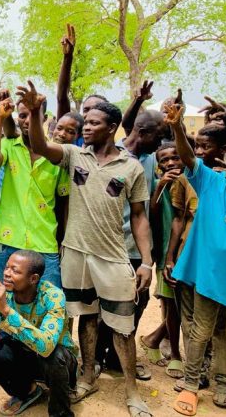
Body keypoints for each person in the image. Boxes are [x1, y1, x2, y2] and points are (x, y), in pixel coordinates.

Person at [25, 81, 154, 417]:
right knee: (86, 318)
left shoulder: (131, 167)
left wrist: (147, 263)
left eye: (94, 123)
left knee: (123, 327)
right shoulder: (73, 155)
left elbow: (140, 217)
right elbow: (39, 143)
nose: (87, 127)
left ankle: (131, 390)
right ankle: (87, 376)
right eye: (86, 122)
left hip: (113, 256)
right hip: (76, 253)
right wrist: (37, 112)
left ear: (112, 128)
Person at [166, 102, 226, 417]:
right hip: (206, 279)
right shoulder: (213, 183)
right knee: (199, 333)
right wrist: (177, 126)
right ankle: (190, 387)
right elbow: (189, 157)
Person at [97, 109, 165, 380]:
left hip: (138, 247)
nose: (161, 144)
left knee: (137, 302)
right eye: (159, 137)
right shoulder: (112, 156)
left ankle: (117, 358)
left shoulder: (148, 160)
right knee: (106, 306)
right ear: (144, 133)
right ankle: (98, 358)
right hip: (111, 245)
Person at [0, 250, 77, 417]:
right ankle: (28, 391)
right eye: (7, 267)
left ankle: (61, 412)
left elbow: (45, 347)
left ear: (33, 279)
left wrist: (7, 311)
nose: (7, 273)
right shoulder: (3, 296)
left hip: (59, 364)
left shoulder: (53, 296)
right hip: (26, 357)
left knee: (54, 355)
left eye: (15, 270)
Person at [0, 92, 69, 287]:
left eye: (34, 115)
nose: (27, 121)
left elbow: (64, 204)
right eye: (22, 116)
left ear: (45, 118)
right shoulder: (8, 146)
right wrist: (0, 118)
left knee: (50, 304)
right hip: (8, 242)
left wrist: (63, 243)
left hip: (45, 244)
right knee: (3, 304)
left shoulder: (58, 154)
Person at [141, 142, 196, 380]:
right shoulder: (158, 184)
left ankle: (154, 340)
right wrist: (160, 186)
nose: (171, 163)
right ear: (158, 165)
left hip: (191, 253)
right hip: (166, 253)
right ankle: (175, 353)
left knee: (188, 307)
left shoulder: (195, 181)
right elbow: (152, 214)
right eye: (164, 160)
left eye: (175, 158)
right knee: (171, 305)